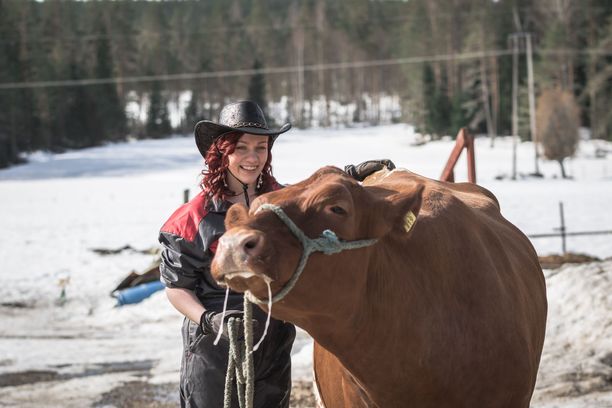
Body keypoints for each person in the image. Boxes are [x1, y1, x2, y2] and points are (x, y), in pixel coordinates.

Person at [158, 100, 395, 408]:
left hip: (273, 341)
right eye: (241, 148)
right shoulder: (191, 219)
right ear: (221, 151)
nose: (253, 157)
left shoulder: (280, 207)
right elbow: (177, 287)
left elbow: (312, 198)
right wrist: (208, 319)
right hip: (215, 347)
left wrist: (346, 176)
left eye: (261, 147)